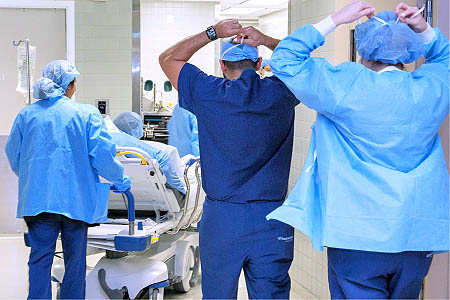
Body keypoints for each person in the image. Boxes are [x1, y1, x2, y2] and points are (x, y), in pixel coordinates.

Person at [266, 1, 449, 299]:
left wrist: (335, 19)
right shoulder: (431, 88)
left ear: (362, 49)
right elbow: (447, 59)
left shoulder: (346, 85)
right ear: (408, 50)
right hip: (417, 236)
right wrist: (424, 28)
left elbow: (285, 59)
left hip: (356, 237)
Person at [160, 20, 299, 299]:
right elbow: (301, 60)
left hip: (223, 219)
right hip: (272, 218)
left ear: (222, 65)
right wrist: (265, 39)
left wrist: (213, 32)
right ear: (259, 62)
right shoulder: (282, 92)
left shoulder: (208, 93)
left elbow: (168, 58)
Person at [5, 60, 131, 300]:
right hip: (75, 201)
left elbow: (13, 154)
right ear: (70, 85)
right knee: (75, 261)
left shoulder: (27, 115)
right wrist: (120, 179)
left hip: (38, 200)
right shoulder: (85, 114)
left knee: (39, 259)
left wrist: (34, 178)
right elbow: (102, 155)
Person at [112, 112, 186, 194]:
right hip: (155, 191)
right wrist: (181, 190)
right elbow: (164, 161)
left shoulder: (107, 141)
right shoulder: (130, 144)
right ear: (136, 129)